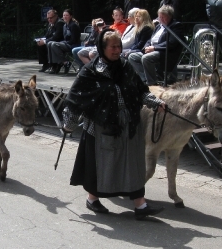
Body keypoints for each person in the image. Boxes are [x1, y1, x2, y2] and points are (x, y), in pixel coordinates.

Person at [62, 29, 166, 218]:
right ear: (103, 48)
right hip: (100, 127)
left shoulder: (126, 67)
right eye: (113, 47)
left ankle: (140, 205)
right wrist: (68, 124)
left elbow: (140, 91)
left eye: (119, 46)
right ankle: (92, 199)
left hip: (128, 124)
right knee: (102, 166)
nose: (118, 50)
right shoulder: (90, 71)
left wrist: (155, 102)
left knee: (133, 164)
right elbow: (76, 98)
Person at [129, 5, 183, 85]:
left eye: (163, 17)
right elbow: (150, 39)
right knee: (132, 57)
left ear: (170, 16)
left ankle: (152, 83)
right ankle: (144, 79)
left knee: (146, 58)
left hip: (163, 51)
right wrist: (146, 47)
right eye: (160, 17)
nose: (161, 19)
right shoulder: (158, 26)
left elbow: (171, 42)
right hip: (151, 49)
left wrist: (154, 48)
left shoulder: (175, 26)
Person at [46, 9, 81, 74]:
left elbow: (74, 40)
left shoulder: (73, 25)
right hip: (66, 43)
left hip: (73, 45)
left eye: (67, 15)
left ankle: (64, 62)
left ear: (70, 16)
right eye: (64, 15)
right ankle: (53, 65)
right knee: (49, 43)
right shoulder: (65, 25)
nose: (65, 17)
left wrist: (64, 42)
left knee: (54, 44)